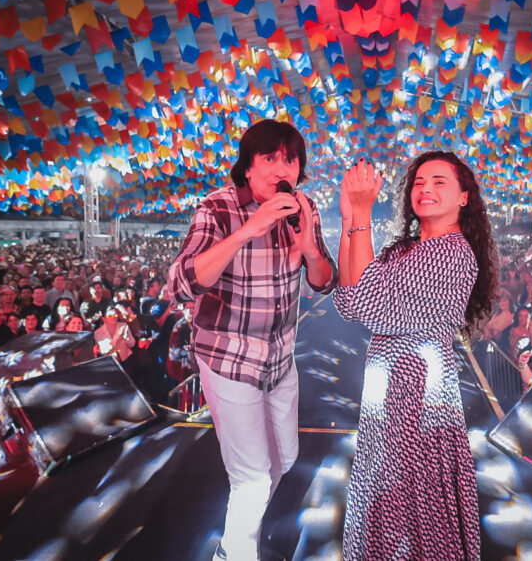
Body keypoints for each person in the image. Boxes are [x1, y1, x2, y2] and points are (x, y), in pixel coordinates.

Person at [166, 119, 336, 561]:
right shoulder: (217, 208)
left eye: (290, 160)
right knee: (253, 478)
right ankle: (234, 552)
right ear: (247, 167)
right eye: (270, 158)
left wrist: (309, 247)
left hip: (280, 359)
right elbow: (181, 285)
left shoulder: (303, 207)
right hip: (228, 358)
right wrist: (248, 230)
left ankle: (243, 539)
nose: (282, 168)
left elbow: (324, 281)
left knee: (285, 459)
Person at [333, 151, 497, 561]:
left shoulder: (452, 253)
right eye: (419, 182)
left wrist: (363, 214)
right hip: (388, 394)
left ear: (464, 197)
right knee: (386, 494)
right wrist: (350, 220)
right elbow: (350, 301)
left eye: (440, 182)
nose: (425, 189)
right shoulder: (402, 250)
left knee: (412, 504)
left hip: (419, 396)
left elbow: (371, 307)